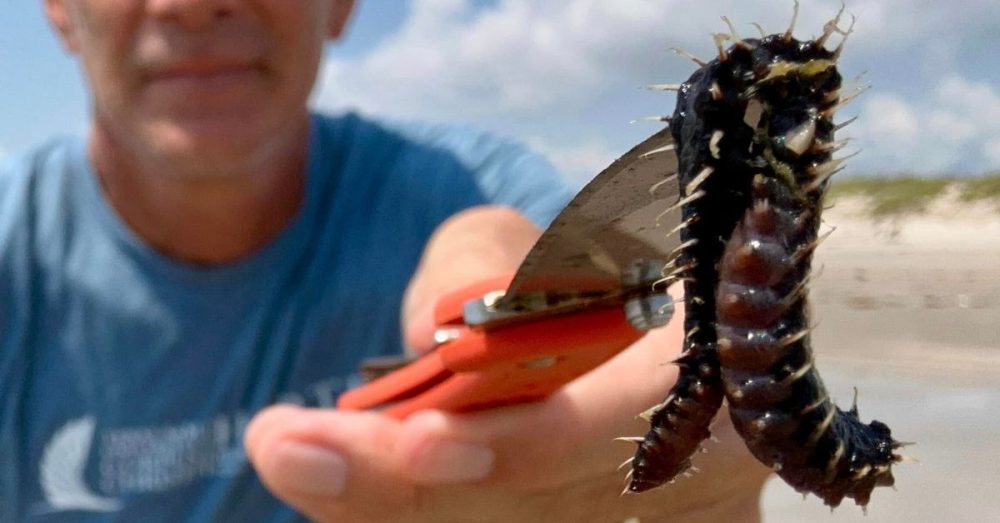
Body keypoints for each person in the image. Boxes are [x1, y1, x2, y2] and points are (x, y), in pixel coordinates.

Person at [0, 0, 771, 521]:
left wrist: (706, 465)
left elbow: (671, 332)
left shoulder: (476, 184)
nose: (195, 3)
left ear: (340, 6)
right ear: (60, 12)